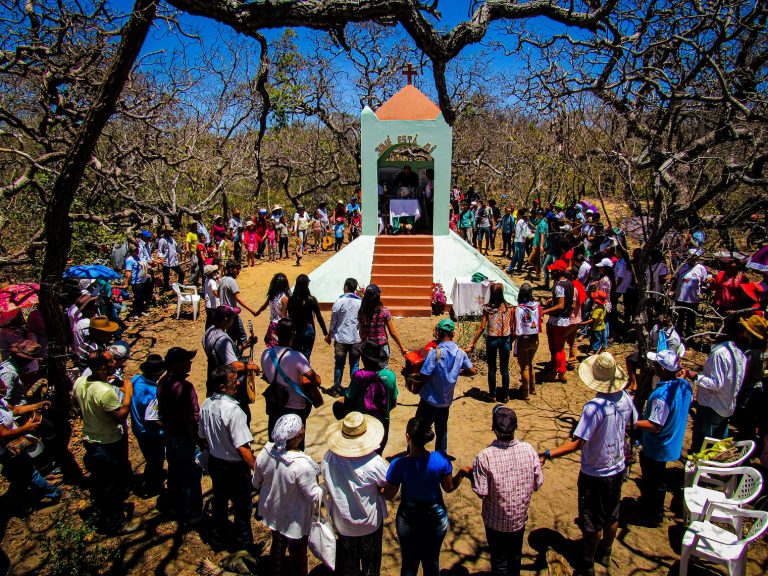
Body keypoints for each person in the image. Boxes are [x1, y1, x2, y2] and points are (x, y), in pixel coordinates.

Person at [539, 353, 637, 576]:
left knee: (591, 520)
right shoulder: (625, 398)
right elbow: (632, 423)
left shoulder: (594, 407)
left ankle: (587, 562)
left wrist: (548, 453)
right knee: (612, 513)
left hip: (596, 470)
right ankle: (606, 551)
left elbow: (577, 443)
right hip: (617, 465)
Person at [382, 417, 468, 576]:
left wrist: (378, 489)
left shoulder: (398, 465)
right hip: (435, 518)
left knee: (409, 563)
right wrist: (461, 473)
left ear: (408, 437)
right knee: (432, 561)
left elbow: (389, 494)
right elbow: (449, 487)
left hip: (409, 519)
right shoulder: (440, 459)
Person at [466, 406, 543, 576]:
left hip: (495, 521)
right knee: (515, 557)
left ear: (493, 428)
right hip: (518, 519)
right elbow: (538, 484)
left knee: (499, 561)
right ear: (516, 427)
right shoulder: (529, 451)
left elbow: (481, 491)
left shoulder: (485, 456)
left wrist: (470, 476)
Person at [72, 351, 137, 533]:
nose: (114, 363)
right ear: (102, 367)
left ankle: (102, 510)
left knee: (100, 481)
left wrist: (90, 414)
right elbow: (120, 416)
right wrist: (128, 393)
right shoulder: (104, 392)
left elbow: (75, 404)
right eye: (110, 363)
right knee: (111, 484)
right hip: (107, 441)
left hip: (90, 437)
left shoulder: (80, 382)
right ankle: (116, 523)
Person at [252, 414, 322, 576]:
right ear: (298, 436)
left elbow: (256, 482)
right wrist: (325, 489)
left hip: (273, 512)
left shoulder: (266, 452)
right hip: (295, 520)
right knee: (298, 553)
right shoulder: (302, 464)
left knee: (278, 544)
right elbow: (314, 496)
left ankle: (276, 570)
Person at [322, 412, 389, 576]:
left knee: (349, 566)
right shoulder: (375, 463)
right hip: (370, 524)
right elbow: (387, 485)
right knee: (371, 567)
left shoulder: (329, 458)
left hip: (343, 524)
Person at [199, 365, 255, 550]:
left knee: (220, 503)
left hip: (216, 463)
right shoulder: (233, 411)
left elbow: (202, 436)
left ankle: (219, 537)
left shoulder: (206, 405)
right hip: (235, 468)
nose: (238, 382)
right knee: (242, 508)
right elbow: (243, 448)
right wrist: (257, 468)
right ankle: (244, 547)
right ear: (222, 387)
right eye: (233, 381)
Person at [634, 350, 692, 527]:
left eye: (657, 365)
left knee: (654, 480)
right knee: (656, 478)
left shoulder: (661, 396)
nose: (654, 367)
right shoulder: (684, 386)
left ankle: (653, 514)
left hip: (658, 445)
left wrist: (632, 424)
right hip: (673, 440)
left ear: (663, 369)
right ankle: (651, 507)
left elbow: (654, 425)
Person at [407, 319, 476, 455]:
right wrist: (456, 372)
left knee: (418, 431)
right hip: (446, 402)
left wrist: (409, 376)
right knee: (442, 430)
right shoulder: (460, 353)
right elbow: (472, 371)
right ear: (453, 333)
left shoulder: (435, 353)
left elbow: (423, 377)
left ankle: (412, 456)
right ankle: (441, 459)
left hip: (429, 401)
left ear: (438, 333)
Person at [156, 347, 203, 524]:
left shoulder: (162, 382)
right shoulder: (185, 388)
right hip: (185, 437)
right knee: (192, 475)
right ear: (176, 365)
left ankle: (176, 505)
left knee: (174, 472)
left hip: (170, 434)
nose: (189, 363)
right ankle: (194, 511)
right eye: (185, 360)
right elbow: (191, 417)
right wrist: (198, 440)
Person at [0, 377, 61, 505]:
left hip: (14, 445)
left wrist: (37, 405)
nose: (5, 387)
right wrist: (25, 428)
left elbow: (16, 410)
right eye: (1, 386)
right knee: (29, 472)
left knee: (22, 472)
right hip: (6, 450)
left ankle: (17, 497)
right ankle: (54, 492)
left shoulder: (1, 402)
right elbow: (3, 433)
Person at [260, 318, 323, 442]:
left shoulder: (266, 354)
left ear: (276, 333)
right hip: (295, 408)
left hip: (275, 405)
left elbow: (268, 377)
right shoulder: (297, 357)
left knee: (274, 444)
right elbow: (317, 381)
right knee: (295, 448)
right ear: (293, 334)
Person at [688, 328, 749, 453]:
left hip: (712, 407)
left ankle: (698, 470)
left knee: (702, 448)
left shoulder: (719, 354)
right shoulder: (740, 354)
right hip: (726, 407)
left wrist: (695, 376)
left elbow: (716, 383)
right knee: (718, 448)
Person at [336, 341, 398, 453]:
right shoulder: (390, 376)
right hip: (382, 422)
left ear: (364, 359)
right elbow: (393, 403)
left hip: (361, 422)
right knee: (377, 454)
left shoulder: (359, 376)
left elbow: (349, 399)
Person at [202, 304, 260, 417]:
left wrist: (245, 345)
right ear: (226, 319)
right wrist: (253, 367)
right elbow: (234, 365)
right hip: (228, 385)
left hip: (215, 379)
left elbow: (225, 354)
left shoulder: (208, 332)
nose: (234, 320)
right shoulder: (223, 339)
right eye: (233, 317)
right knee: (242, 415)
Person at [466, 284, 514, 402]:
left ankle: (492, 395)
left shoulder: (488, 309)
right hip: (505, 339)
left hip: (492, 339)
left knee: (492, 368)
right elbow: (512, 326)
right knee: (504, 368)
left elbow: (482, 327)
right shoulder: (509, 307)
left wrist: (472, 342)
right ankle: (506, 395)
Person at [129, 353, 165, 496]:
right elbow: (152, 419)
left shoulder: (136, 379)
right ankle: (151, 487)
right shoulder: (153, 391)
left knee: (150, 458)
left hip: (137, 428)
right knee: (156, 460)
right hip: (151, 433)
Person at [325, 278, 362, 397]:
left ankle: (336, 388)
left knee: (339, 364)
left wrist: (329, 335)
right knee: (355, 364)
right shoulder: (360, 303)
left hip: (341, 338)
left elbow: (333, 321)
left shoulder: (339, 302)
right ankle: (355, 389)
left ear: (345, 287)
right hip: (356, 339)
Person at [541, 260, 574, 383]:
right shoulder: (569, 284)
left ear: (557, 271)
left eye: (553, 270)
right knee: (560, 347)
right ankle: (562, 371)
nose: (550, 272)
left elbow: (561, 305)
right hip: (565, 320)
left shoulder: (559, 285)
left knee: (555, 349)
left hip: (557, 321)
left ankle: (554, 372)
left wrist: (545, 311)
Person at [358, 284, 408, 364]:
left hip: (367, 347)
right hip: (381, 346)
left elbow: (361, 331)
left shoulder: (362, 312)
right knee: (382, 372)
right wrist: (402, 347)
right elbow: (392, 332)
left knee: (369, 372)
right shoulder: (384, 311)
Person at [286, 274, 328, 361]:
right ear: (307, 285)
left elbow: (289, 316)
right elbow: (319, 317)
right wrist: (325, 333)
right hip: (308, 329)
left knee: (296, 356)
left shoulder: (291, 300)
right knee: (306, 356)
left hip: (296, 330)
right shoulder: (312, 299)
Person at [672, 249, 709, 343]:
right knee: (679, 319)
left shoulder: (701, 268)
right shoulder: (682, 266)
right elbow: (675, 280)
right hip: (680, 298)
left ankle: (689, 340)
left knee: (691, 320)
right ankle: (677, 339)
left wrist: (703, 293)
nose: (691, 258)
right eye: (690, 256)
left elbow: (705, 283)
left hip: (693, 300)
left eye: (694, 256)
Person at [512, 283, 541, 400]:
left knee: (524, 366)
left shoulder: (519, 309)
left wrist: (512, 340)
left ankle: (525, 392)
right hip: (535, 339)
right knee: (530, 363)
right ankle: (533, 388)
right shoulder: (537, 306)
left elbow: (518, 328)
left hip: (524, 339)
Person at [218, 260, 257, 345]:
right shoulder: (232, 281)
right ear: (231, 269)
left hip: (223, 312)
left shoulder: (222, 279)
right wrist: (252, 310)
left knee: (231, 335)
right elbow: (238, 298)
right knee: (242, 336)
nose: (239, 271)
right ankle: (237, 354)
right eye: (237, 269)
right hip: (231, 313)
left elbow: (218, 294)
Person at [256, 272, 291, 348]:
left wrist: (257, 312)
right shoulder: (285, 298)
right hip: (280, 325)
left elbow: (263, 307)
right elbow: (283, 317)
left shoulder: (272, 296)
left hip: (272, 324)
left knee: (271, 344)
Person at [157, 227, 184, 291]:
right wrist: (161, 259)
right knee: (166, 277)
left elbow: (177, 248)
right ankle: (166, 288)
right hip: (166, 262)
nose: (170, 232)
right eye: (169, 231)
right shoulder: (162, 240)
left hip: (174, 261)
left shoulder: (172, 239)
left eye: (170, 231)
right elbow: (160, 251)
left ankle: (180, 287)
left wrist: (182, 252)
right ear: (165, 231)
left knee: (181, 273)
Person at [507, 208, 531, 275]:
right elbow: (525, 232)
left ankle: (510, 268)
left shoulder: (519, 221)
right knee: (520, 256)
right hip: (521, 241)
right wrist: (531, 235)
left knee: (516, 255)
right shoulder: (523, 222)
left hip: (517, 240)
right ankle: (518, 270)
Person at [529, 210, 548, 278]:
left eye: (538, 214)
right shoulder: (540, 222)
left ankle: (538, 271)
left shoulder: (542, 223)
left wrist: (541, 246)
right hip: (536, 244)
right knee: (536, 259)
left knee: (530, 260)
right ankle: (538, 273)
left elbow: (542, 235)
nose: (536, 215)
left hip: (538, 245)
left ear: (541, 215)